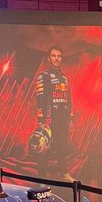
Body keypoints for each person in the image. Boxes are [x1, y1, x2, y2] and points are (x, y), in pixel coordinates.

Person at [32, 45, 74, 180]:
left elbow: (69, 99)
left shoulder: (65, 78)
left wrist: (70, 118)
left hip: (63, 119)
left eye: (59, 56)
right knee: (45, 147)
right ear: (49, 58)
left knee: (61, 147)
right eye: (53, 56)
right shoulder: (43, 76)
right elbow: (40, 98)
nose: (56, 59)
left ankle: (64, 173)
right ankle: (41, 177)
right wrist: (41, 120)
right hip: (49, 119)